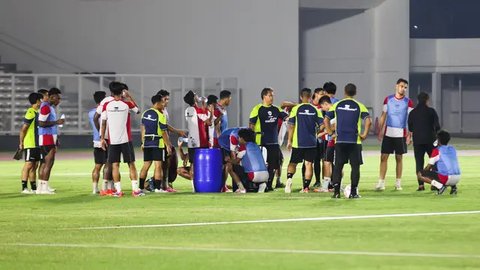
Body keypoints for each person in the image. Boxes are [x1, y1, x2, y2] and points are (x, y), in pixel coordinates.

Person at [325, 83, 372, 199]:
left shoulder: (337, 105)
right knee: (355, 167)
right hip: (354, 142)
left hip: (340, 141)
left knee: (338, 167)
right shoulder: (359, 105)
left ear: (345, 92)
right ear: (355, 93)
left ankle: (336, 192)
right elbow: (368, 120)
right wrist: (364, 134)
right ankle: (353, 192)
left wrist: (331, 132)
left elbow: (326, 119)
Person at [100, 81, 144, 197]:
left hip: (112, 140)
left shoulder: (107, 105)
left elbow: (103, 123)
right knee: (131, 164)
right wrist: (129, 97)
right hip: (126, 139)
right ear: (122, 92)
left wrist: (102, 138)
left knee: (115, 165)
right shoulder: (127, 104)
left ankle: (118, 191)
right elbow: (138, 110)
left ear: (111, 92)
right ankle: (135, 190)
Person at [376, 78, 413, 191]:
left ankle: (398, 183)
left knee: (399, 158)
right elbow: (383, 115)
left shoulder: (408, 102)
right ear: (396, 86)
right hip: (388, 133)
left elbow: (411, 119)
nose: (403, 89)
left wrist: (410, 134)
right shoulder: (388, 99)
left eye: (405, 87)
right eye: (402, 86)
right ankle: (381, 182)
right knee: (383, 157)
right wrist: (380, 130)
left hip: (401, 133)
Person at [285, 88, 323, 193]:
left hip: (298, 142)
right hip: (311, 142)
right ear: (310, 97)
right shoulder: (316, 110)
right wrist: (317, 131)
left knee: (293, 163)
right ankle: (305, 187)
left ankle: (289, 179)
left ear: (301, 97)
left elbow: (291, 125)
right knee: (309, 164)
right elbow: (322, 125)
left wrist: (289, 140)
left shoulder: (296, 109)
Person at [249, 87, 288, 191]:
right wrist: (251, 139)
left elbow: (286, 117)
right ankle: (260, 184)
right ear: (264, 96)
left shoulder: (276, 109)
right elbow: (251, 124)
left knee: (273, 165)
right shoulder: (257, 109)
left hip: (274, 142)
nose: (272, 98)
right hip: (261, 142)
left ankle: (269, 185)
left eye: (272, 96)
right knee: (262, 165)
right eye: (270, 95)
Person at [139, 94, 172, 193]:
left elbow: (143, 129)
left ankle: (140, 188)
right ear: (157, 103)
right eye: (162, 102)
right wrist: (168, 145)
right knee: (158, 165)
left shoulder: (144, 113)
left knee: (146, 165)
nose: (164, 104)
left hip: (147, 142)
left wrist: (142, 142)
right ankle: (158, 188)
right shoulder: (160, 115)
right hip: (158, 142)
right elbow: (163, 132)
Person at [408, 92, 441, 191]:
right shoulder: (431, 111)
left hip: (418, 141)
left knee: (419, 162)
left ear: (417, 100)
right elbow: (437, 126)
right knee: (434, 162)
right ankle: (434, 184)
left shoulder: (412, 113)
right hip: (431, 140)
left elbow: (410, 127)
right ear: (427, 99)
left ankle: (421, 185)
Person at [155, 89, 186, 190]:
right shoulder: (159, 111)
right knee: (165, 164)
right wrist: (177, 131)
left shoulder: (164, 110)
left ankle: (165, 184)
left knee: (170, 163)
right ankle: (163, 185)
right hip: (161, 141)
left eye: (168, 99)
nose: (167, 101)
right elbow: (164, 127)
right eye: (165, 99)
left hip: (166, 140)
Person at [37, 87, 65, 194]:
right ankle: (44, 188)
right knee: (49, 163)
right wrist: (57, 122)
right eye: (58, 98)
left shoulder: (48, 107)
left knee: (44, 163)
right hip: (46, 137)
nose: (59, 100)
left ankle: (41, 187)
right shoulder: (46, 107)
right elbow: (41, 123)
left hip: (48, 137)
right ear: (52, 97)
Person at [418, 130, 460, 195]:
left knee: (420, 174)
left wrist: (426, 173)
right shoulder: (452, 149)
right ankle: (454, 187)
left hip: (446, 178)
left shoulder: (437, 150)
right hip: (457, 178)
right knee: (443, 167)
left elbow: (428, 167)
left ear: (438, 140)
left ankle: (440, 187)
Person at [18, 93, 44, 194]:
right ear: (37, 101)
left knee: (34, 166)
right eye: (40, 100)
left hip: (37, 144)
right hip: (30, 143)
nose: (41, 102)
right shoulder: (30, 112)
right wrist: (21, 143)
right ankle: (24, 188)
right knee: (28, 165)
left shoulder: (37, 112)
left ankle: (33, 188)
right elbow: (23, 129)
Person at [184, 91, 212, 179]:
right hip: (200, 140)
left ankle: (194, 186)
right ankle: (202, 182)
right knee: (202, 163)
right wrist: (211, 111)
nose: (197, 95)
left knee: (193, 163)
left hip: (191, 140)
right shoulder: (197, 110)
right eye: (195, 94)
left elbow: (198, 121)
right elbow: (209, 122)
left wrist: (203, 106)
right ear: (194, 98)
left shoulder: (187, 110)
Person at [88, 91, 112, 195]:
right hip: (105, 140)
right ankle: (106, 187)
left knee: (97, 166)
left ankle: (94, 189)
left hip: (96, 140)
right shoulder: (104, 111)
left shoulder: (90, 113)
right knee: (108, 164)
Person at [235, 128, 268, 193]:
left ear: (242, 138)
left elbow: (236, 161)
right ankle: (261, 184)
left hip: (253, 175)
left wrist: (229, 160)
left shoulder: (243, 147)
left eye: (239, 137)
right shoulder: (256, 146)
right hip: (265, 174)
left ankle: (241, 188)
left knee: (233, 167)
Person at [314, 95, 335, 192]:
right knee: (334, 163)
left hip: (333, 140)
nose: (323, 109)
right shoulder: (336, 108)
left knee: (327, 162)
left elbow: (334, 127)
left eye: (322, 107)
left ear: (325, 104)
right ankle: (335, 185)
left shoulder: (332, 111)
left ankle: (326, 186)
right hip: (334, 140)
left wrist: (322, 133)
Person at [218, 127, 247, 193]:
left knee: (235, 166)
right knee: (230, 167)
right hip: (224, 144)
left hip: (235, 143)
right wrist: (232, 161)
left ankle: (241, 188)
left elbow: (238, 160)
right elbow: (233, 153)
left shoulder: (245, 140)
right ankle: (223, 187)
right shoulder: (234, 137)